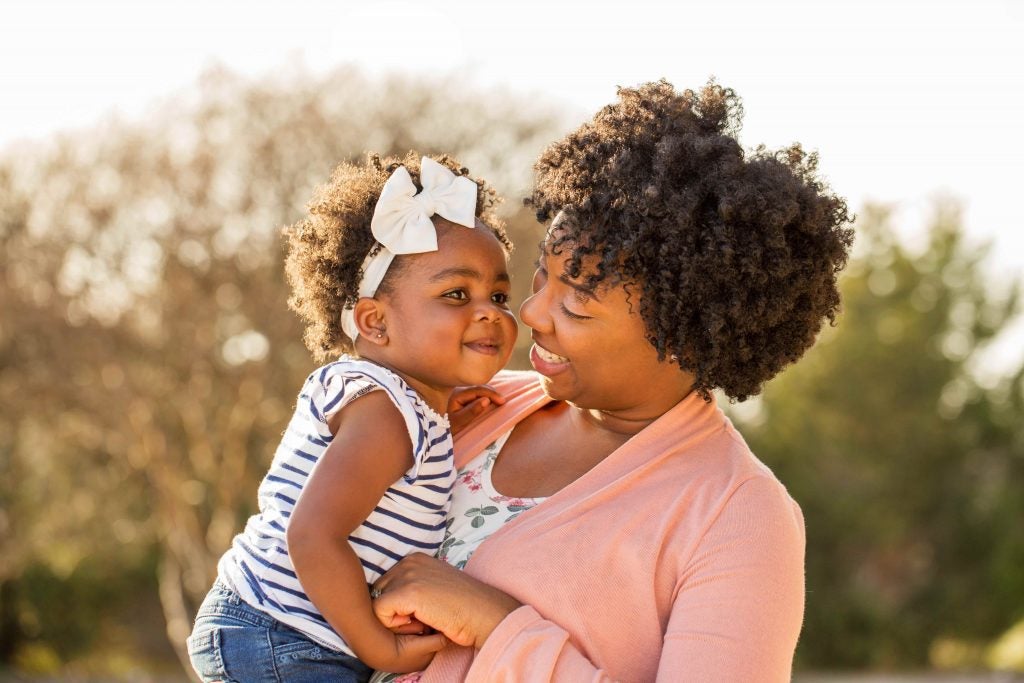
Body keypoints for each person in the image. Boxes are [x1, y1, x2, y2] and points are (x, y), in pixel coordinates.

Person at [368, 81, 854, 682]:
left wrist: (497, 627)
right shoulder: (473, 405)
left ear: (684, 334)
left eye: (577, 307)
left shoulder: (737, 514)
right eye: (542, 276)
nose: (535, 314)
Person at [186, 153, 518, 682]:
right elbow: (313, 535)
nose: (489, 311)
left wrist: (440, 411)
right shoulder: (385, 413)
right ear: (375, 323)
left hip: (283, 632)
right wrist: (377, 649)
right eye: (456, 293)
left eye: (499, 295)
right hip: (282, 634)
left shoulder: (402, 406)